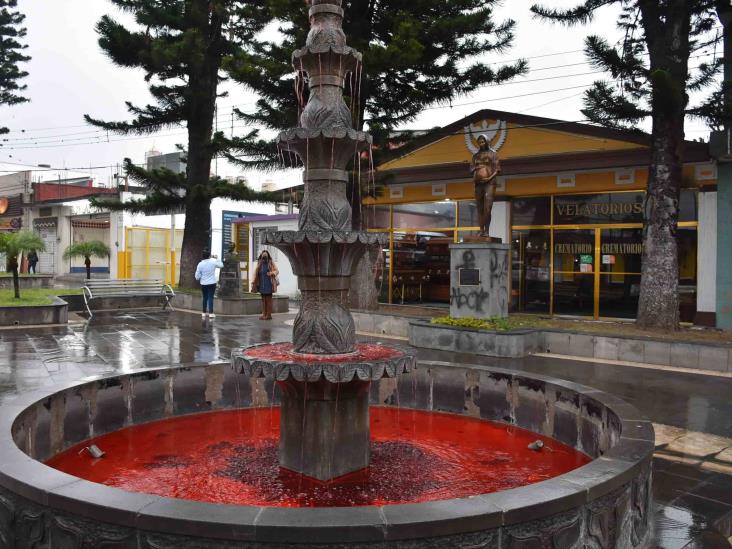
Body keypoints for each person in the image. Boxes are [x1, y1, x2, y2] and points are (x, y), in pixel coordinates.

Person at [470, 134, 501, 237]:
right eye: (479, 142)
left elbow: (497, 169)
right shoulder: (475, 156)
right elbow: (471, 168)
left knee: (487, 208)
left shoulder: (493, 154)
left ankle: (487, 230)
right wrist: (477, 171)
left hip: (490, 183)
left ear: (487, 141)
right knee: (479, 208)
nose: (481, 143)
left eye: (483, 141)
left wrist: (488, 177)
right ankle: (481, 230)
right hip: (478, 184)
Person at [195, 250, 224, 319]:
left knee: (205, 297)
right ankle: (211, 313)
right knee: (210, 297)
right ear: (209, 256)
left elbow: (197, 276)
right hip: (212, 283)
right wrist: (217, 258)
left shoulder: (200, 264)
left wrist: (200, 278)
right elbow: (221, 265)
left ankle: (204, 312)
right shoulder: (213, 262)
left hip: (203, 283)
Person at [251, 250, 279, 320]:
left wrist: (272, 273)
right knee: (263, 300)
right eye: (263, 256)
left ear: (268, 256)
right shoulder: (260, 263)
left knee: (268, 300)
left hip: (269, 284)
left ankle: (269, 315)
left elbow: (277, 271)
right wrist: (254, 281)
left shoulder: (270, 262)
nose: (264, 258)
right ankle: (264, 314)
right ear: (261, 256)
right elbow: (256, 272)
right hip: (261, 284)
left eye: (265, 257)